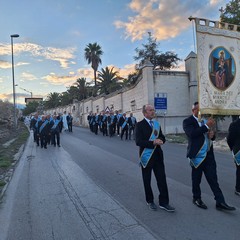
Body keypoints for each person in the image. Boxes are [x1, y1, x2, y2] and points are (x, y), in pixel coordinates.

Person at [183, 102, 235, 211]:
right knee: (196, 179)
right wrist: (206, 126)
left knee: (213, 179)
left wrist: (212, 136)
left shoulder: (206, 121)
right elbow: (192, 134)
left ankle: (220, 202)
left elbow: (211, 137)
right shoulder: (188, 121)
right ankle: (196, 198)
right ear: (193, 110)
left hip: (209, 156)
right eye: (199, 109)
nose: (201, 112)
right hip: (197, 156)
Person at [135, 104, 175, 212]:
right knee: (147, 180)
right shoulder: (139, 125)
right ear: (145, 113)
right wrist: (152, 142)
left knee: (162, 179)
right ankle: (150, 201)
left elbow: (161, 136)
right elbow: (138, 141)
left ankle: (164, 202)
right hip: (146, 157)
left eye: (153, 110)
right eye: (150, 110)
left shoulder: (157, 124)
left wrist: (161, 140)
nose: (153, 112)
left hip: (157, 156)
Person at [226, 117, 240, 196]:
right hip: (239, 151)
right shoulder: (234, 124)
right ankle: (238, 189)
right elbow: (229, 139)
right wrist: (233, 149)